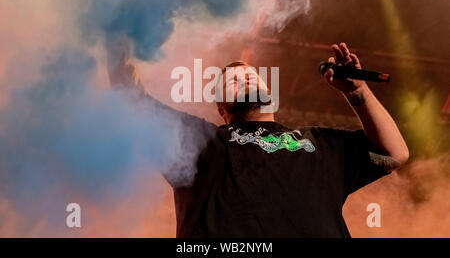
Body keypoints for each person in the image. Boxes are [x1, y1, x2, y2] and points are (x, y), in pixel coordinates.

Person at [108, 42, 409, 238]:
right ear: (222, 108)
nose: (247, 78)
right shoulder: (200, 142)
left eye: (253, 76)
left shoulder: (319, 142)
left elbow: (394, 152)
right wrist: (115, 32)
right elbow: (129, 96)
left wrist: (356, 91)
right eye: (233, 82)